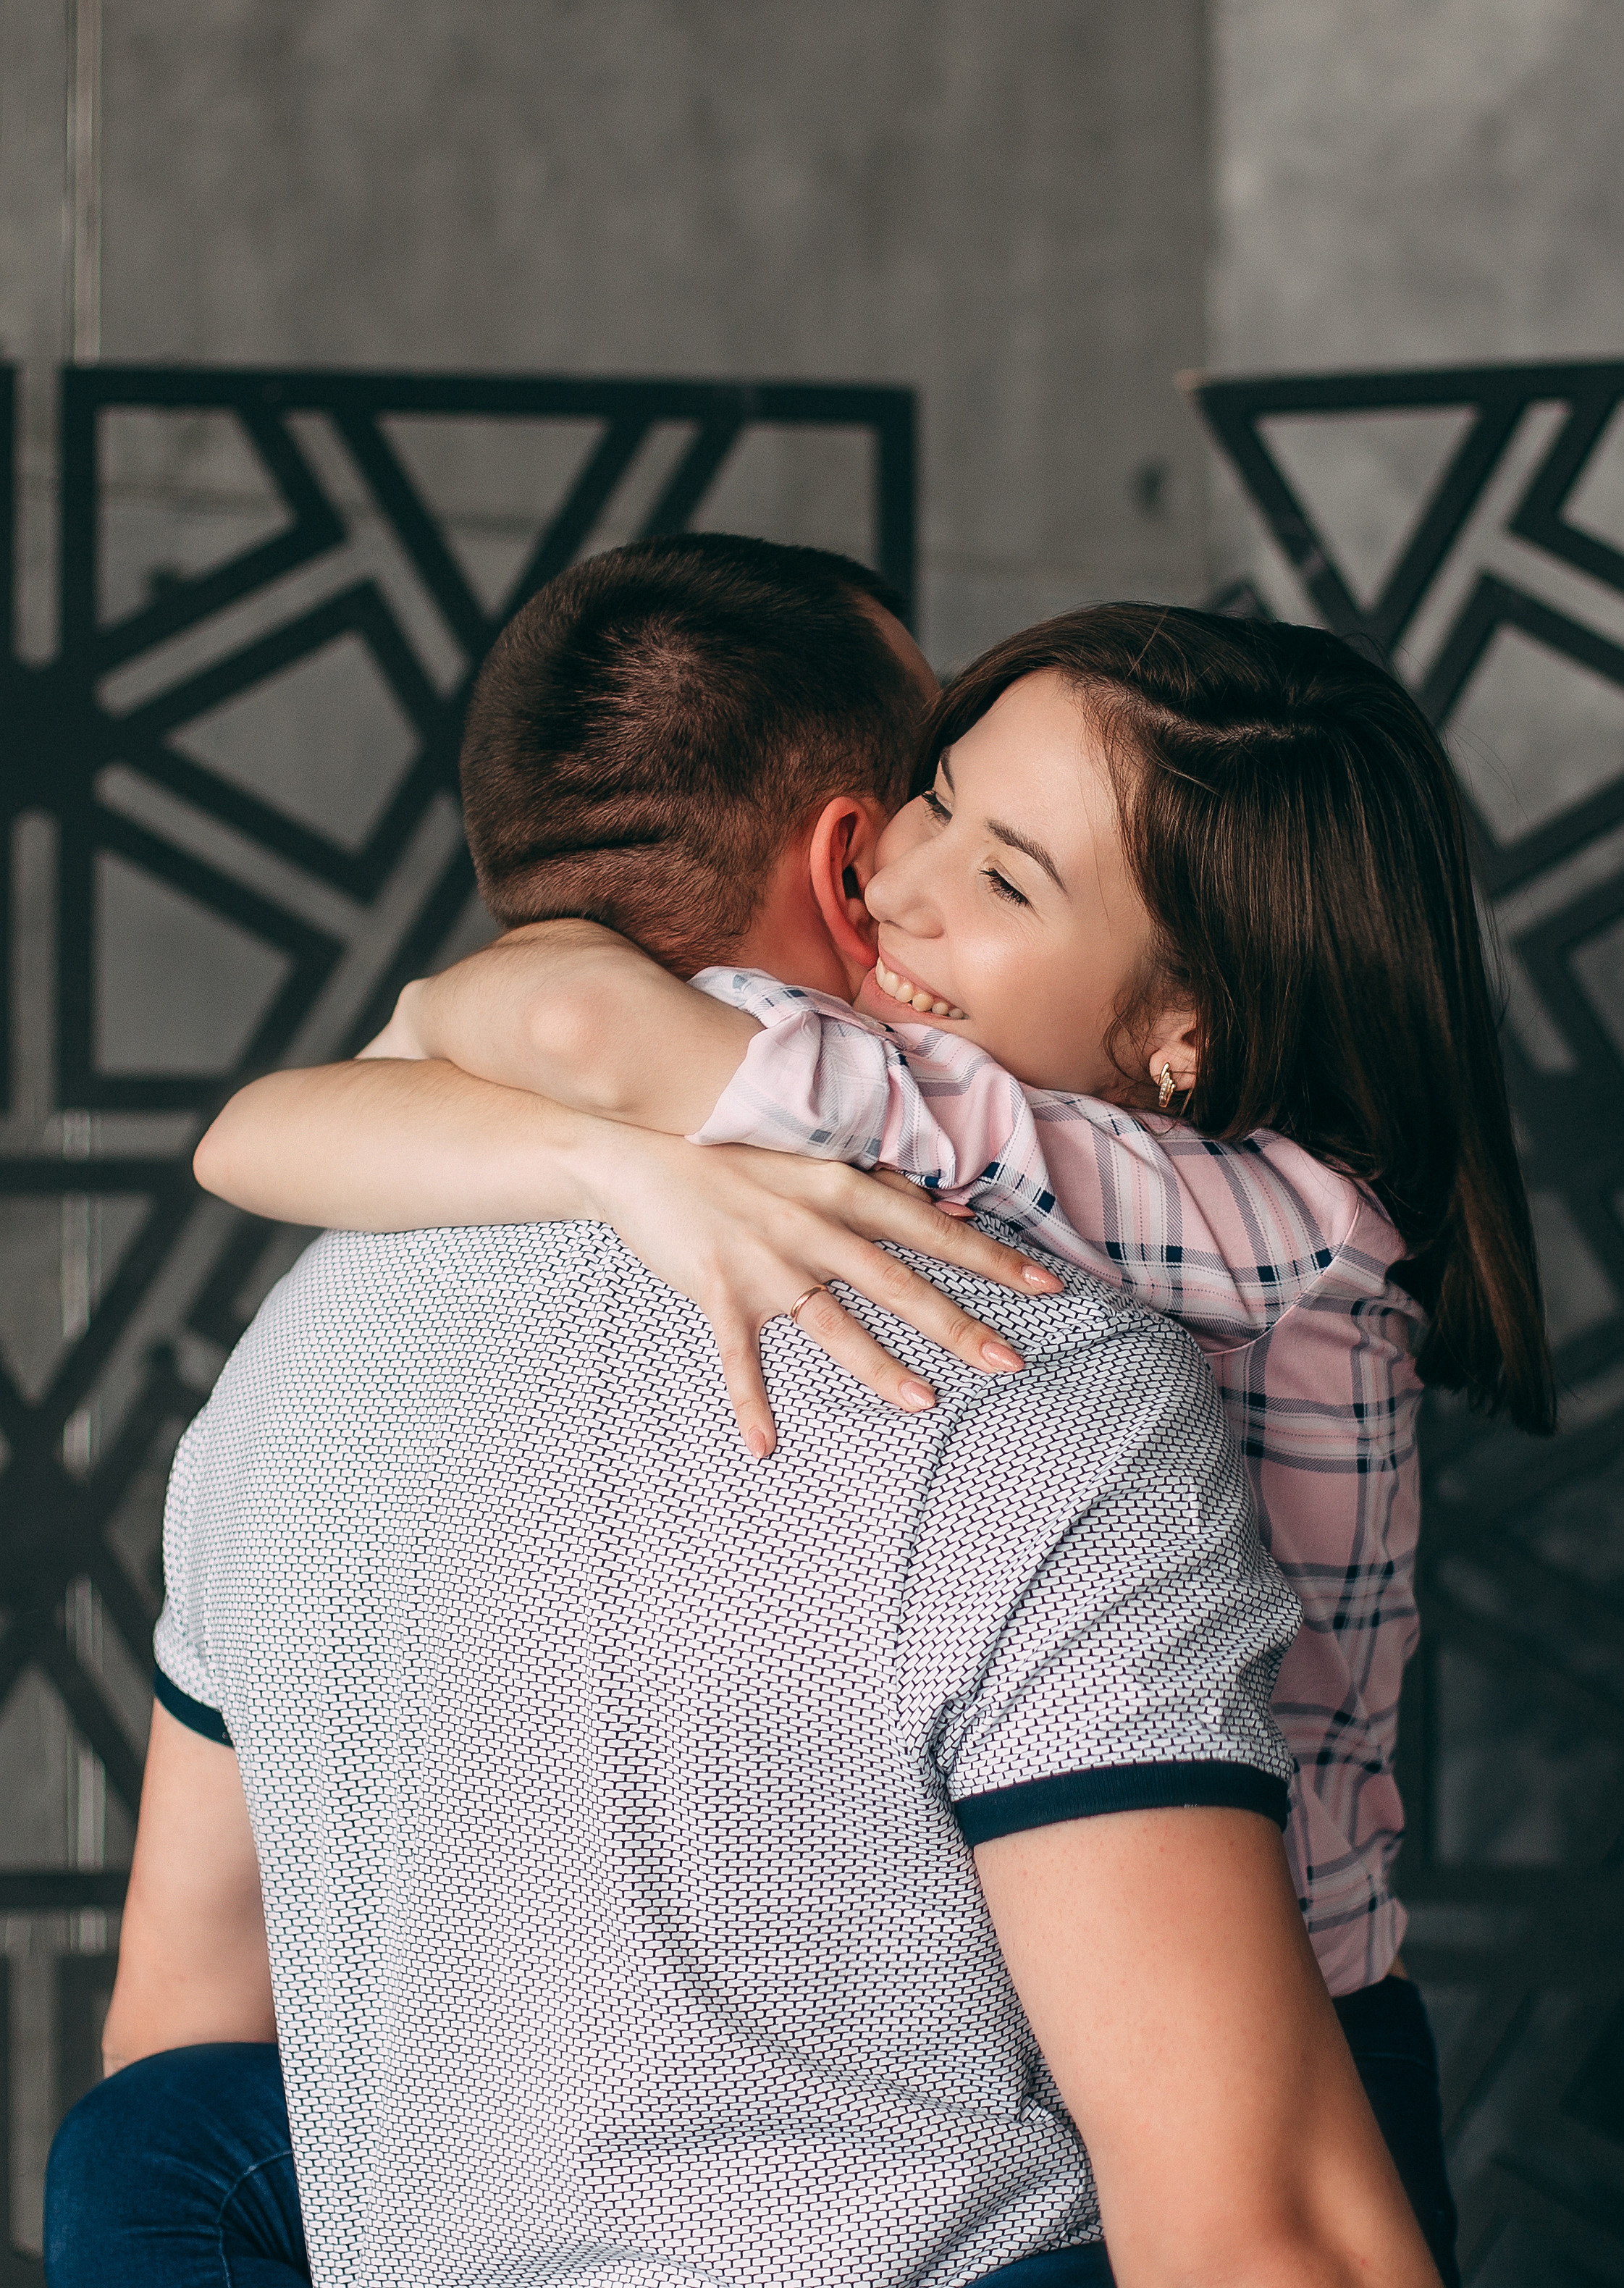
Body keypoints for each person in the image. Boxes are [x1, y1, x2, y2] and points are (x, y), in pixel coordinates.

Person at [45, 539, 1442, 2288]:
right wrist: (612, 1163)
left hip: (1294, 1996)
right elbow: (1263, 2238)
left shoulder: (285, 1364)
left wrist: (566, 1127)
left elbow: (178, 2019)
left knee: (158, 2136)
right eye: (930, 802)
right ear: (851, 850)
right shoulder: (1021, 1358)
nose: (929, 878)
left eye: (1001, 864)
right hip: (1179, 2091)